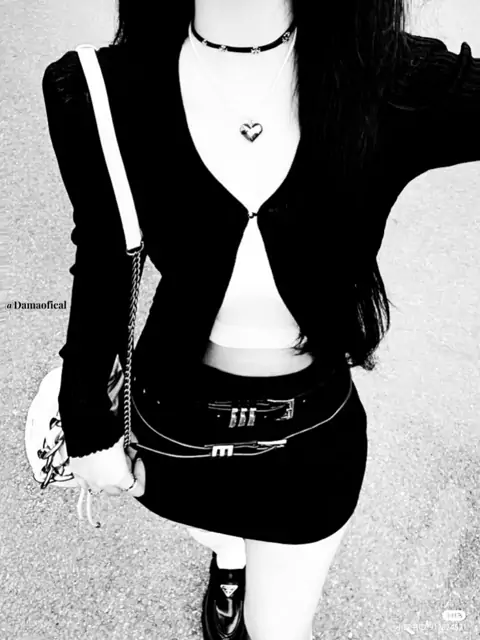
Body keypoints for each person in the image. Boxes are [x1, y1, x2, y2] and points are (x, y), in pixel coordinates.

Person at [41, 0, 480, 638]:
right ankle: (228, 556)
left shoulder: (387, 78)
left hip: (310, 439)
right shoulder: (98, 90)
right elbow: (104, 256)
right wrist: (85, 421)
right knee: (219, 533)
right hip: (174, 427)